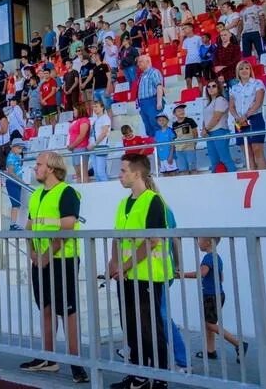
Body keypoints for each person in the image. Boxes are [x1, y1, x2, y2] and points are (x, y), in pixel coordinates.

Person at [20, 152, 88, 384]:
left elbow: (68, 225)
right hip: (40, 259)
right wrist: (32, 253)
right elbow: (29, 226)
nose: (35, 168)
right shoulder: (37, 194)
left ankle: (75, 361)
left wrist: (47, 255)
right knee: (46, 308)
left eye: (39, 165)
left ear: (50, 168)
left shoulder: (67, 192)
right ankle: (48, 358)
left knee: (68, 311)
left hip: (63, 260)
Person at [108, 154, 173, 389]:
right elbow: (118, 237)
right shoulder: (124, 203)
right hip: (126, 275)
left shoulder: (153, 201)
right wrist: (113, 263)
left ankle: (160, 378)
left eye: (124, 170)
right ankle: (138, 374)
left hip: (146, 275)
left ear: (137, 173)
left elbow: (152, 241)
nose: (120, 175)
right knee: (131, 327)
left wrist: (122, 266)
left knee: (149, 328)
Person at [180, 238, 248, 362]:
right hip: (217, 294)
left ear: (208, 242)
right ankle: (210, 351)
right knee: (208, 323)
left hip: (211, 296)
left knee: (210, 324)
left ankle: (239, 344)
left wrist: (182, 275)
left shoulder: (208, 258)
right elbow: (221, 278)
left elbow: (201, 273)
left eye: (200, 240)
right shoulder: (217, 257)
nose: (198, 242)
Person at [230, 61, 266, 170]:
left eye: (247, 68)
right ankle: (251, 174)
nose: (244, 71)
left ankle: (264, 177)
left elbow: (258, 102)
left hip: (255, 118)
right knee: (247, 152)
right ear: (238, 71)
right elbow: (231, 106)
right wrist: (238, 117)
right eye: (241, 68)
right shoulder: (234, 87)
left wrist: (245, 116)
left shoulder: (257, 83)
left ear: (250, 70)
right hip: (239, 121)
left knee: (257, 150)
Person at [201, 81, 236, 172]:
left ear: (218, 88)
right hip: (210, 133)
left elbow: (216, 117)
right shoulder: (208, 102)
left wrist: (205, 129)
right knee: (214, 160)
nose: (211, 88)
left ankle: (234, 179)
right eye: (208, 86)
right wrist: (204, 129)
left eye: (214, 86)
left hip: (220, 131)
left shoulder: (220, 99)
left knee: (225, 158)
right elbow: (205, 118)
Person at [136, 55, 164, 136]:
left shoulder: (154, 72)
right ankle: (153, 146)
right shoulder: (141, 75)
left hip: (152, 101)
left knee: (155, 124)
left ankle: (161, 145)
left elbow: (159, 86)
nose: (138, 64)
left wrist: (159, 102)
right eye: (138, 62)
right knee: (148, 127)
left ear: (148, 62)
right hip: (143, 103)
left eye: (140, 61)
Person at [4, 139, 27, 230]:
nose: (20, 150)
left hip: (16, 181)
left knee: (17, 204)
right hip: (13, 181)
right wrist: (20, 181)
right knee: (15, 204)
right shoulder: (11, 157)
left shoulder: (16, 156)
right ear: (12, 147)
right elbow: (11, 172)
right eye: (18, 147)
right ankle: (12, 224)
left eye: (21, 148)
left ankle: (14, 223)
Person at [172, 105, 198, 174]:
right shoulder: (174, 124)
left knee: (193, 169)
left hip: (189, 147)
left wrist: (194, 143)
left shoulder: (190, 120)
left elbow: (195, 133)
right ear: (174, 114)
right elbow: (175, 136)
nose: (182, 112)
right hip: (179, 149)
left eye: (183, 110)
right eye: (179, 111)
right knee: (183, 170)